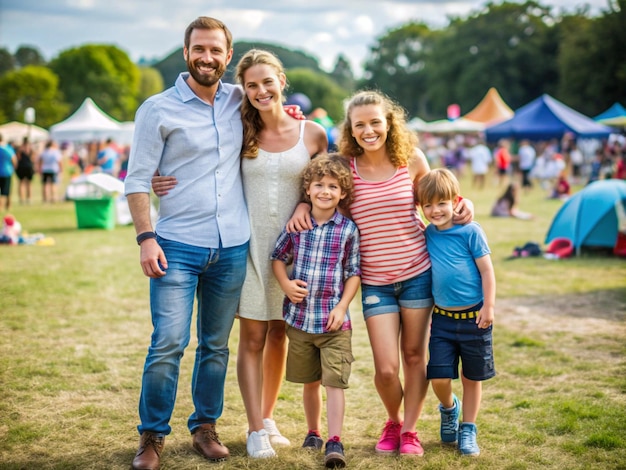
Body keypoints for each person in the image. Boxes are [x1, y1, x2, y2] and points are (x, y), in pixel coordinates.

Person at [150, 48, 326, 459]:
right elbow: (195, 159)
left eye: (268, 81)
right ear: (242, 91)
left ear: (282, 81)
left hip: (295, 252)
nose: (261, 90)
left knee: (280, 333)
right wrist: (159, 179)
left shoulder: (313, 133)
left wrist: (304, 202)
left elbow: (327, 182)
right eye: (251, 85)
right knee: (251, 336)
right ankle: (252, 429)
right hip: (246, 247)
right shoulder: (239, 130)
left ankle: (266, 418)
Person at [287, 90, 474, 457]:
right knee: (387, 369)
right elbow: (318, 184)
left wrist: (464, 205)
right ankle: (392, 419)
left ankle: (410, 430)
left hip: (418, 272)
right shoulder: (345, 165)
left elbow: (441, 198)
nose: (369, 130)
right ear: (351, 130)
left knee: (415, 357)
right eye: (360, 125)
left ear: (390, 123)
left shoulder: (412, 160)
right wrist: (299, 205)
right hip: (374, 281)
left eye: (376, 122)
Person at [124, 17, 252, 469]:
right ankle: (152, 435)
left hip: (233, 245)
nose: (207, 57)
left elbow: (276, 118)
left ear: (228, 55)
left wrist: (290, 112)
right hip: (175, 243)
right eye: (199, 49)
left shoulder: (241, 101)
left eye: (216, 50)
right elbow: (138, 181)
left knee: (215, 345)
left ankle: (204, 427)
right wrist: (146, 238)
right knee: (168, 343)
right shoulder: (157, 109)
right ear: (186, 52)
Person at [271, 154, 361, 468]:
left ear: (343, 193)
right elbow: (278, 257)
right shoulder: (298, 225)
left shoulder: (348, 229)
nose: (325, 191)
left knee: (334, 381)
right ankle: (313, 431)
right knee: (310, 381)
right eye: (319, 185)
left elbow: (353, 273)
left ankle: (335, 441)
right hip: (300, 320)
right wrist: (285, 284)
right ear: (307, 190)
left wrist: (342, 306)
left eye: (333, 186)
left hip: (334, 323)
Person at [416, 167, 496, 457]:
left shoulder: (471, 231)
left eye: (441, 203)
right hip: (442, 321)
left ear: (455, 201)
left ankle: (468, 428)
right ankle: (449, 408)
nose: (435, 210)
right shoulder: (428, 233)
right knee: (438, 377)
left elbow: (487, 271)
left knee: (471, 378)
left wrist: (489, 307)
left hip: (475, 318)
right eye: (428, 205)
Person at [0, 134, 17, 211]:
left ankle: (2, 206)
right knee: (6, 189)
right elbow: (14, 160)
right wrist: (13, 168)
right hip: (7, 171)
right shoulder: (7, 148)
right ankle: (7, 206)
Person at [16, 137, 35, 204]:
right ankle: (29, 198)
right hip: (29, 167)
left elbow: (18, 158)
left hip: (21, 167)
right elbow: (33, 158)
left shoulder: (20, 149)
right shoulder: (30, 149)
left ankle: (22, 199)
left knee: (21, 183)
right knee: (28, 183)